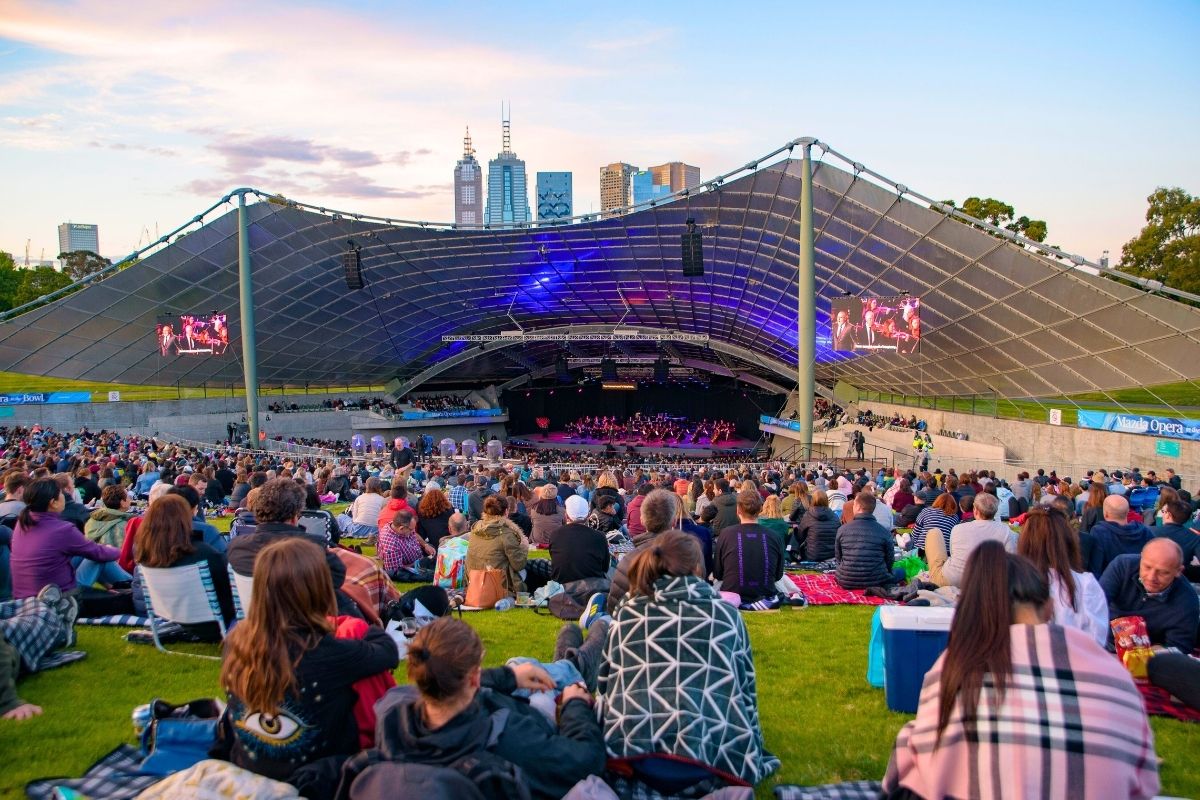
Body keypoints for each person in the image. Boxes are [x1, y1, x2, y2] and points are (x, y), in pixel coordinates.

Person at [882, 541, 1159, 799]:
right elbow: (1143, 783)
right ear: (1049, 608)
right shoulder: (1113, 674)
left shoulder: (956, 666)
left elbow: (920, 765)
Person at [349, 616, 605, 800]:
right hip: (544, 716)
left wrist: (509, 676)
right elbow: (585, 759)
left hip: (505, 699)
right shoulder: (509, 740)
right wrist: (575, 705)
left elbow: (440, 680)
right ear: (473, 677)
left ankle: (569, 651)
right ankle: (588, 641)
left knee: (526, 666)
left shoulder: (394, 715)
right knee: (557, 680)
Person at [599, 531, 779, 786]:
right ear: (697, 566)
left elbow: (606, 685)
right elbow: (745, 689)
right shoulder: (724, 615)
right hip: (709, 758)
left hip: (632, 752)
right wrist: (750, 743)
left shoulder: (627, 611)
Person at [213, 537, 399, 782]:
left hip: (250, 766)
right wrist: (348, 624)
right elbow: (387, 651)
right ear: (319, 590)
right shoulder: (328, 652)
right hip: (318, 778)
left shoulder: (236, 641)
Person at [227, 478, 357, 618]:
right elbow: (337, 579)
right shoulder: (314, 549)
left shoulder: (237, 548)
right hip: (302, 629)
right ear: (296, 515)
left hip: (254, 623)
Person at [134, 494, 236, 641]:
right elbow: (229, 588)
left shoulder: (146, 557)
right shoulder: (203, 554)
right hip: (215, 624)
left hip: (174, 617)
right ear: (185, 519)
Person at [10, 478, 121, 607]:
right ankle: (135, 585)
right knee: (97, 557)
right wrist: (119, 550)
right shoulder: (62, 529)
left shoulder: (23, 524)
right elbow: (98, 553)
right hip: (57, 599)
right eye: (61, 494)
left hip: (24, 598)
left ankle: (124, 585)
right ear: (53, 503)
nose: (65, 496)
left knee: (89, 555)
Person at [1017, 506, 1109, 648]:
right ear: (1068, 541)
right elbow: (1097, 642)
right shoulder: (1085, 584)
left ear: (1025, 542)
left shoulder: (1009, 583)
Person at [1101, 538, 1198, 653]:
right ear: (1141, 557)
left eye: (1163, 572)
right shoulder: (1122, 566)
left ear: (1179, 571)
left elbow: (1180, 647)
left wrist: (1149, 653)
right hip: (1103, 642)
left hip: (1145, 656)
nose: (1151, 577)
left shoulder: (1187, 601)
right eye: (1147, 567)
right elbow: (1094, 606)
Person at [605, 490, 678, 613]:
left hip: (638, 621)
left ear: (642, 520)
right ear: (674, 522)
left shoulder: (630, 560)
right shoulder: (688, 556)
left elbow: (614, 607)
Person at [927, 493, 1018, 587]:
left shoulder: (958, 528)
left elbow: (953, 553)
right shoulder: (1007, 531)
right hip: (991, 582)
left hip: (954, 581)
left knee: (934, 533)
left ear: (975, 510)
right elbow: (1012, 561)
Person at [712, 491, 784, 607]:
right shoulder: (774, 536)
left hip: (732, 592)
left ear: (738, 510)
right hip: (765, 591)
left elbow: (718, 573)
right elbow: (778, 575)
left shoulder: (726, 534)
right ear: (760, 509)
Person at [465, 495, 527, 597]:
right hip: (500, 585)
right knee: (525, 570)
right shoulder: (506, 534)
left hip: (475, 581)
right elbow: (519, 564)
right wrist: (524, 547)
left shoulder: (476, 527)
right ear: (506, 512)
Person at [834, 493, 899, 590]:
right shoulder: (884, 532)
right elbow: (889, 560)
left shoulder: (843, 529)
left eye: (854, 504)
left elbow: (838, 558)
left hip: (846, 579)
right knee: (900, 571)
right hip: (877, 580)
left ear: (858, 507)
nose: (852, 507)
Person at [1088, 495, 1154, 578]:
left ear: (1105, 514)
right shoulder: (1144, 530)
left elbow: (1095, 568)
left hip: (1110, 585)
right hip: (1140, 583)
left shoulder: (1099, 532)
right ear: (1127, 512)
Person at [549, 495, 609, 584]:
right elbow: (605, 568)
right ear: (588, 515)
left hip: (562, 586)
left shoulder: (555, 534)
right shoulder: (599, 536)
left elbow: (554, 560)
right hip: (592, 587)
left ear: (566, 515)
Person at [1150, 499, 1200, 580]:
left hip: (1150, 577)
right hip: (1179, 579)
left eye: (1163, 511)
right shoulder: (1194, 537)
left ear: (1168, 515)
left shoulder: (1149, 531)